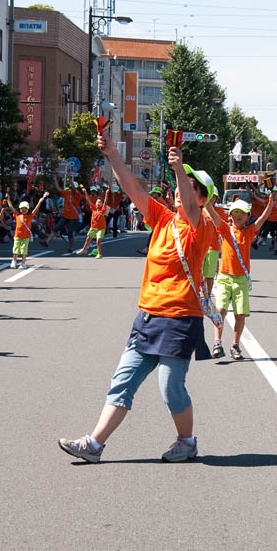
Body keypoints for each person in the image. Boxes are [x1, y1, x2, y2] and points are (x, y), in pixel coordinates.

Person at [58, 130, 216, 464]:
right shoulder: (161, 218)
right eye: (182, 184)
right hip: (147, 317)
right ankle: (94, 444)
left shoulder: (199, 227)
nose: (183, 191)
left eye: (194, 187)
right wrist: (113, 154)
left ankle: (186, 441)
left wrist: (178, 169)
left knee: (170, 388)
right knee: (122, 382)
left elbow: (189, 206)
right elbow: (132, 188)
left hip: (180, 319)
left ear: (202, 198)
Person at [206, 195, 275, 359]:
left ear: (248, 216)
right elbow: (213, 214)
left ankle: (235, 346)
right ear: (229, 215)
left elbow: (263, 218)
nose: (238, 215)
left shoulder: (250, 231)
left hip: (241, 280)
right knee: (221, 310)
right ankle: (217, 343)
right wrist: (206, 198)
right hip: (224, 277)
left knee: (240, 314)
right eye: (234, 212)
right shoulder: (224, 229)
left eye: (242, 213)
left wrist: (271, 204)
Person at [7, 193, 48, 269]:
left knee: (23, 251)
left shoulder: (30, 216)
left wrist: (40, 202)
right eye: (22, 208)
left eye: (25, 208)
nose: (23, 210)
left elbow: (35, 210)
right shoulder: (17, 215)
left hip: (26, 237)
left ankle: (23, 263)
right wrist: (8, 199)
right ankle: (14, 261)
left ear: (28, 209)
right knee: (15, 250)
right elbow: (11, 207)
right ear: (19, 209)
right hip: (17, 236)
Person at [44, 176, 82, 252]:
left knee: (70, 232)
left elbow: (74, 189)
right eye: (71, 187)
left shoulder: (78, 195)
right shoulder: (66, 193)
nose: (72, 188)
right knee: (56, 228)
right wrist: (55, 179)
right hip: (65, 215)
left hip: (73, 217)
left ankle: (70, 247)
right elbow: (58, 189)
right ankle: (47, 241)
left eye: (74, 187)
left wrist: (70, 179)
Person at [202, 188, 227, 294]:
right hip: (200, 246)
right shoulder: (200, 210)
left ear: (216, 198)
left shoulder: (220, 212)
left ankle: (207, 296)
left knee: (209, 275)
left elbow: (225, 226)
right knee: (199, 274)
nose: (211, 199)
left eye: (213, 197)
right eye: (209, 196)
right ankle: (200, 296)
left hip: (213, 246)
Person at [76, 187, 111, 259]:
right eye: (97, 202)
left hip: (101, 228)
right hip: (93, 227)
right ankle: (84, 249)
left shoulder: (103, 209)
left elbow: (106, 201)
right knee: (88, 238)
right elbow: (88, 200)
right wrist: (85, 192)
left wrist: (107, 193)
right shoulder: (94, 208)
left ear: (102, 204)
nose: (98, 203)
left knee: (98, 240)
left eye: (100, 202)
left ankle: (99, 254)